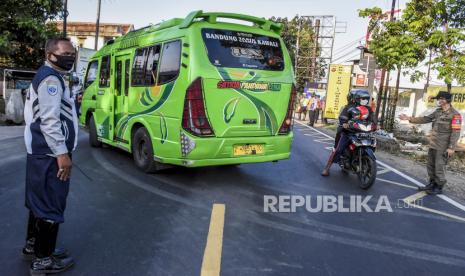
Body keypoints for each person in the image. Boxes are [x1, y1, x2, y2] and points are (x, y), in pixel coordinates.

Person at [23, 37, 78, 275]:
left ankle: (33, 247)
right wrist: (62, 153)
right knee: (51, 205)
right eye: (65, 53)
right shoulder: (50, 80)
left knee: (38, 203)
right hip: (49, 154)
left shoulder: (47, 76)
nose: (71, 56)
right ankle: (43, 260)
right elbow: (50, 121)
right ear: (50, 55)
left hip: (40, 152)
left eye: (72, 52)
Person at [399, 91, 462, 195]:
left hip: (443, 146)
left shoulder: (455, 115)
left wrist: (451, 147)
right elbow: (426, 119)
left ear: (447, 100)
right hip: (433, 143)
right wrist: (409, 118)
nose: (439, 100)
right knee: (431, 165)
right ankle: (432, 184)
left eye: (441, 98)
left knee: (439, 166)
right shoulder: (438, 112)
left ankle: (439, 186)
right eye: (439, 99)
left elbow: (456, 132)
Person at [321, 90, 374, 176]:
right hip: (348, 132)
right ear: (356, 99)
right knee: (338, 149)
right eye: (362, 98)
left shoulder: (368, 109)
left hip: (362, 132)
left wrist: (376, 125)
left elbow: (372, 119)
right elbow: (343, 117)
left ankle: (362, 161)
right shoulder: (348, 107)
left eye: (366, 99)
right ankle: (327, 168)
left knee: (371, 143)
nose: (365, 100)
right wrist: (344, 123)